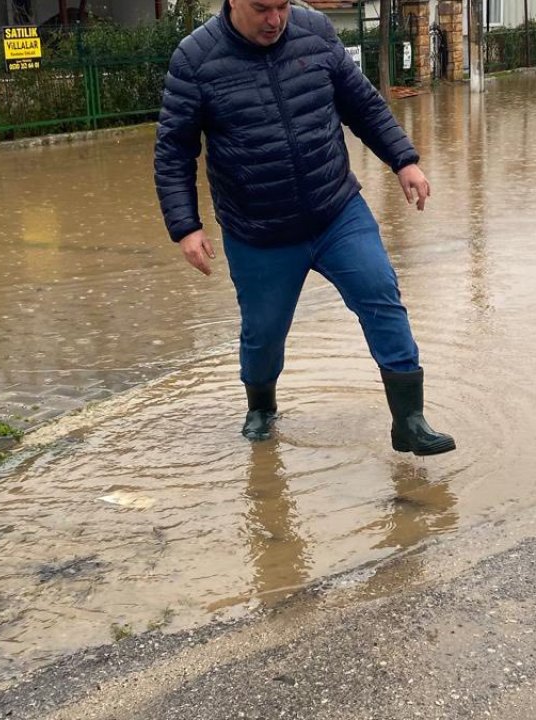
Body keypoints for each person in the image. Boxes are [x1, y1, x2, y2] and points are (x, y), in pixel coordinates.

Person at [154, 0, 455, 456]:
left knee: (381, 294)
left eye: (281, 6)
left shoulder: (314, 29)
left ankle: (409, 421)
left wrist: (403, 160)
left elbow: (362, 104)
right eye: (262, 9)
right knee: (264, 333)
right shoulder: (196, 59)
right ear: (234, 1)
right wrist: (185, 227)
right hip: (260, 231)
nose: (275, 20)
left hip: (335, 210)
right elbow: (174, 151)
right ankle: (261, 408)